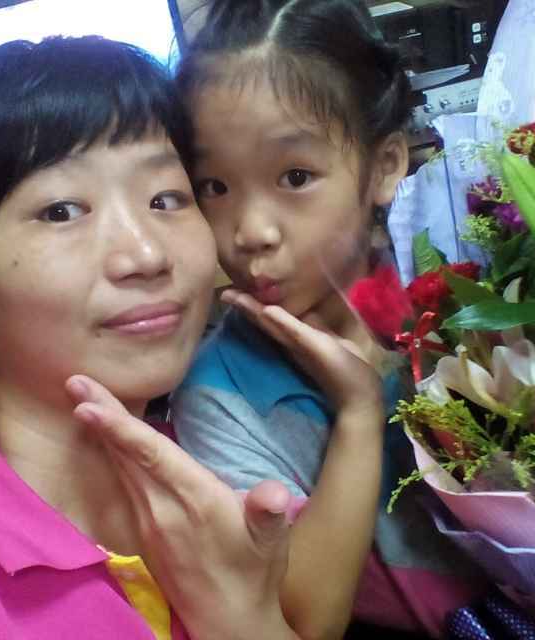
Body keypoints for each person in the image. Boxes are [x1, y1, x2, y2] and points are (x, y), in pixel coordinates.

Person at [0, 35, 368, 640]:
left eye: (166, 199)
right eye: (61, 211)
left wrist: (246, 622)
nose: (146, 254)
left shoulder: (209, 469)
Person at [171, 1, 489, 638]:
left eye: (295, 176)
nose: (251, 231)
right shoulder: (218, 397)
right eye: (214, 186)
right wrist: (358, 413)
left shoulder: (459, 289)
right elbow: (307, 620)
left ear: (386, 165)